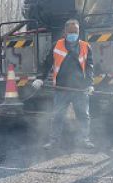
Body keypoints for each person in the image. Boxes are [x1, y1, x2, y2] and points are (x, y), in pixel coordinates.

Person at [43, 19, 95, 150]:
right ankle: (54, 141)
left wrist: (89, 84)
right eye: (71, 32)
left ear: (79, 32)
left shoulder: (86, 46)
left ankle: (84, 139)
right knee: (57, 116)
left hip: (80, 89)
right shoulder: (56, 45)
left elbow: (89, 67)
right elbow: (47, 64)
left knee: (83, 115)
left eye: (75, 31)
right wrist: (40, 78)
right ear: (65, 32)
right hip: (61, 89)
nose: (73, 34)